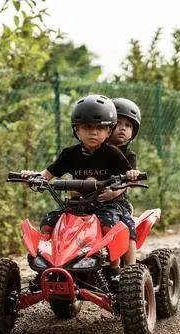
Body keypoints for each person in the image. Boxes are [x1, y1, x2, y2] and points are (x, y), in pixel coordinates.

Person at [22, 94, 140, 291]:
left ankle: (116, 271)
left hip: (107, 204)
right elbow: (47, 174)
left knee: (112, 224)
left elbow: (127, 176)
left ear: (108, 130)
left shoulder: (113, 154)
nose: (93, 133)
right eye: (87, 128)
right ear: (76, 130)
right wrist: (33, 177)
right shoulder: (70, 154)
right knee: (50, 222)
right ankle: (47, 267)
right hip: (78, 206)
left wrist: (128, 178)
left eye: (100, 128)